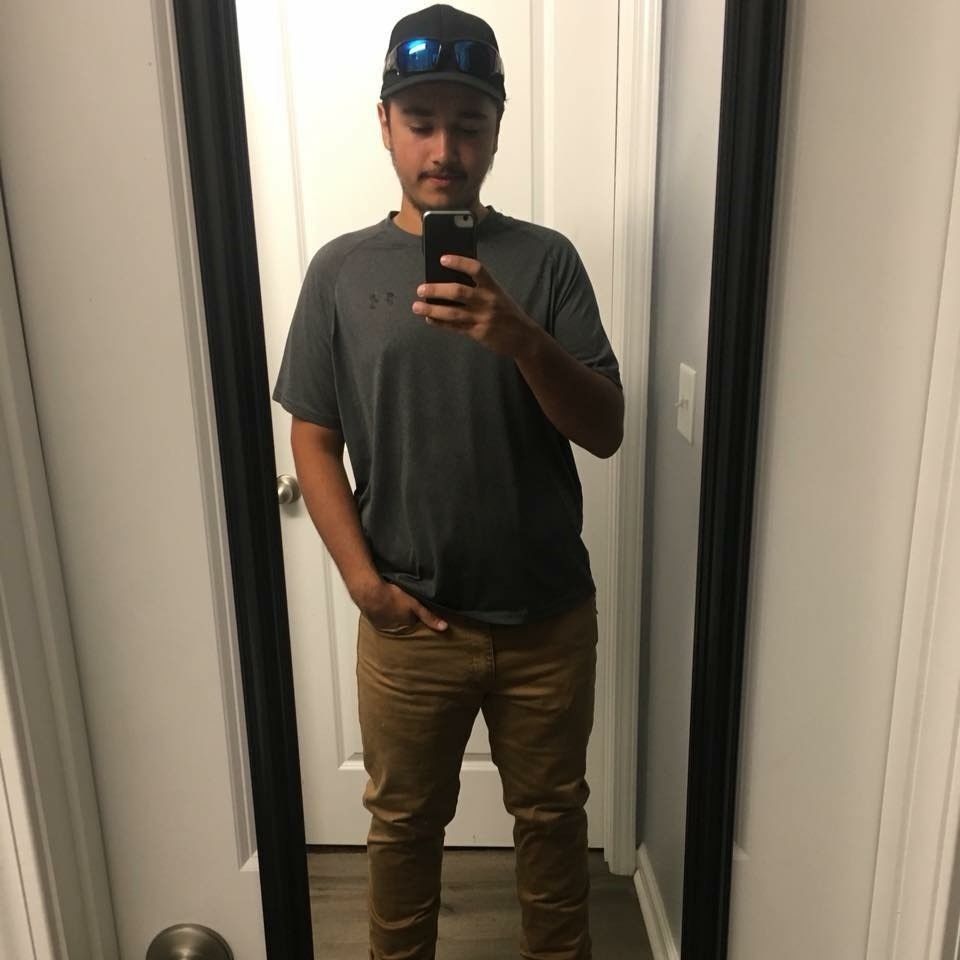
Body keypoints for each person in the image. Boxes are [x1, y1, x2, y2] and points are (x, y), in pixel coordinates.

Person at [271, 5, 624, 958]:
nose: (444, 149)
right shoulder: (340, 272)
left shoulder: (546, 262)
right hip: (409, 622)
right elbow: (313, 436)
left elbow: (605, 431)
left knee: (553, 822)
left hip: (547, 618)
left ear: (497, 130)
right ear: (384, 124)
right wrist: (363, 584)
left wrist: (522, 339)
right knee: (402, 830)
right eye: (421, 121)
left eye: (468, 123)